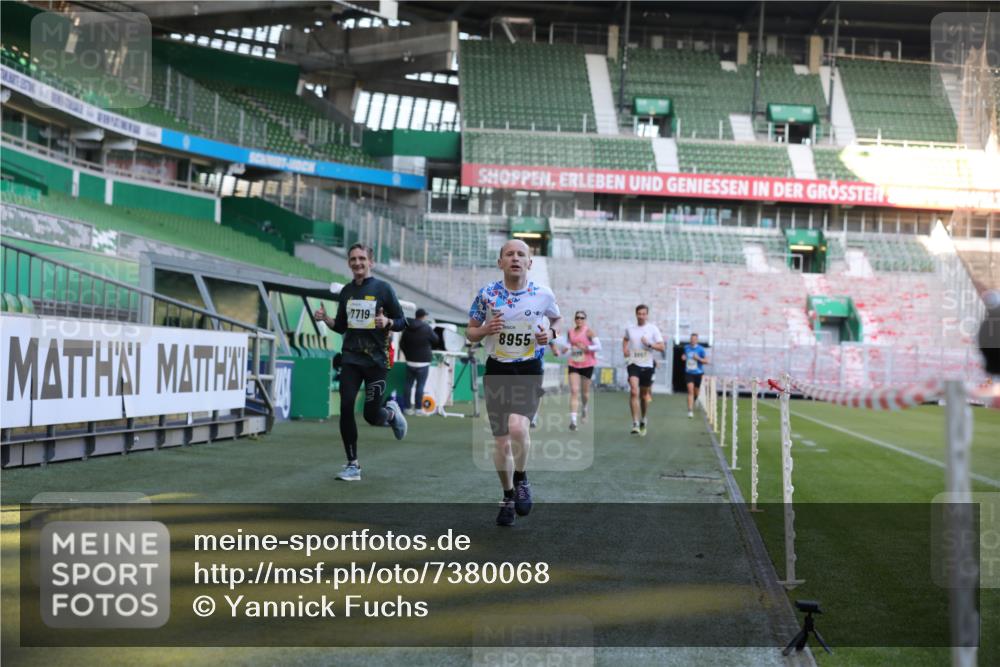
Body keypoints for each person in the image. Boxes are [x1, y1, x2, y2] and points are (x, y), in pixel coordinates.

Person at [467, 239, 561, 526]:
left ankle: (521, 478)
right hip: (497, 369)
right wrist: (484, 329)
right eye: (509, 254)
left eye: (522, 254)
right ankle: (508, 495)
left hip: (529, 369)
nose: (515, 258)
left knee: (518, 426)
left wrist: (550, 335)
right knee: (501, 444)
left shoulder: (543, 294)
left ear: (530, 263)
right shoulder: (487, 295)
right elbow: (470, 332)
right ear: (500, 262)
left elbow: (556, 320)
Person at [314, 243, 408, 482]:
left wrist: (386, 321)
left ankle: (390, 414)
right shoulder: (346, 292)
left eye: (362, 258)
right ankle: (352, 464)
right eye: (353, 259)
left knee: (370, 415)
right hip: (351, 359)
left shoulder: (383, 289)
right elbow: (343, 326)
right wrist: (326, 319)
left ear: (371, 262)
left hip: (376, 360)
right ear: (349, 263)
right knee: (346, 406)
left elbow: (401, 321)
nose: (357, 263)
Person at [550, 311, 601, 431]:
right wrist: (565, 349)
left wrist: (587, 347)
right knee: (574, 391)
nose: (579, 320)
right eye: (577, 318)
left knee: (584, 393)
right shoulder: (571, 332)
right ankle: (573, 421)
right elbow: (568, 344)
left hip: (587, 364)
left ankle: (584, 408)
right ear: (575, 319)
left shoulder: (589, 332)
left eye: (582, 318)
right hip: (574, 364)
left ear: (585, 319)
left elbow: (599, 346)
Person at [623, 304, 665, 436]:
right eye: (639, 314)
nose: (641, 316)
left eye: (643, 314)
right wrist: (624, 349)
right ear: (636, 314)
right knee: (634, 391)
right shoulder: (630, 329)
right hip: (633, 363)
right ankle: (635, 423)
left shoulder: (653, 329)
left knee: (644, 396)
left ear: (647, 315)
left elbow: (662, 347)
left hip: (647, 365)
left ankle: (643, 419)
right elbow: (625, 339)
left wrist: (649, 344)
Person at [398, 308, 440, 415]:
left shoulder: (407, 328)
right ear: (423, 317)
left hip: (410, 361)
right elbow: (436, 339)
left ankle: (407, 408)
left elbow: (401, 344)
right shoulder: (427, 328)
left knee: (408, 384)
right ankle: (418, 409)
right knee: (420, 385)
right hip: (423, 362)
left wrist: (407, 355)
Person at [681, 333, 709, 418]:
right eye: (691, 339)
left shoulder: (701, 349)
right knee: (690, 391)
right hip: (689, 373)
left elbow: (706, 361)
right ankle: (690, 410)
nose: (692, 340)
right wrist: (683, 357)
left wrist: (698, 359)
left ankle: (695, 400)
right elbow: (684, 355)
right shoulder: (686, 348)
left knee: (696, 392)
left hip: (698, 373)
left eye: (694, 339)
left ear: (697, 340)